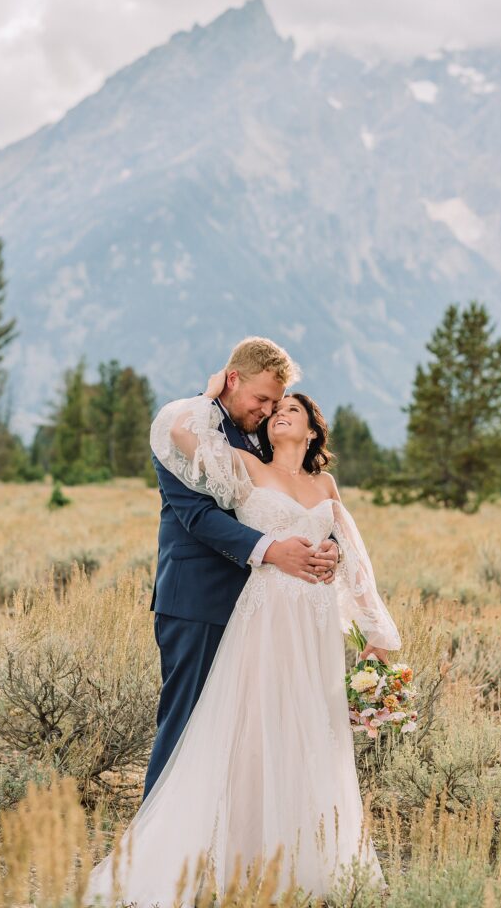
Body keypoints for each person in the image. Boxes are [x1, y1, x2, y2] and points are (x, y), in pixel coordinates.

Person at [84, 375, 402, 907]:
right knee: (249, 725)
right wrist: (211, 396)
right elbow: (181, 435)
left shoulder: (326, 488)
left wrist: (373, 627)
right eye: (274, 407)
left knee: (308, 726)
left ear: (312, 428)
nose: (279, 413)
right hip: (267, 613)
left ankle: (305, 855)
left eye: (291, 409)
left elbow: (352, 554)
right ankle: (221, 855)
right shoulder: (246, 467)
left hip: (316, 624)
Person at [142, 337, 340, 798]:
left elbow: (293, 506)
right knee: (186, 725)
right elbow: (199, 518)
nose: (270, 411)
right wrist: (274, 551)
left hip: (265, 613)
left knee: (246, 735)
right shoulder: (182, 423)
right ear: (233, 379)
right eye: (262, 399)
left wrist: (329, 549)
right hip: (199, 601)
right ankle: (156, 847)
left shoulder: (262, 439)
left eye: (277, 402)